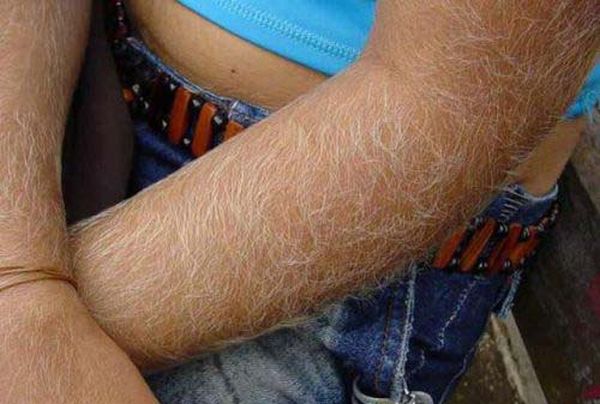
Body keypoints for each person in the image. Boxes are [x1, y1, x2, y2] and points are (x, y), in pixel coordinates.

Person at [0, 0, 598, 403]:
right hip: (73, 97)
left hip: (324, 251)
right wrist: (20, 268)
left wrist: (27, 296)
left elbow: (453, 103)